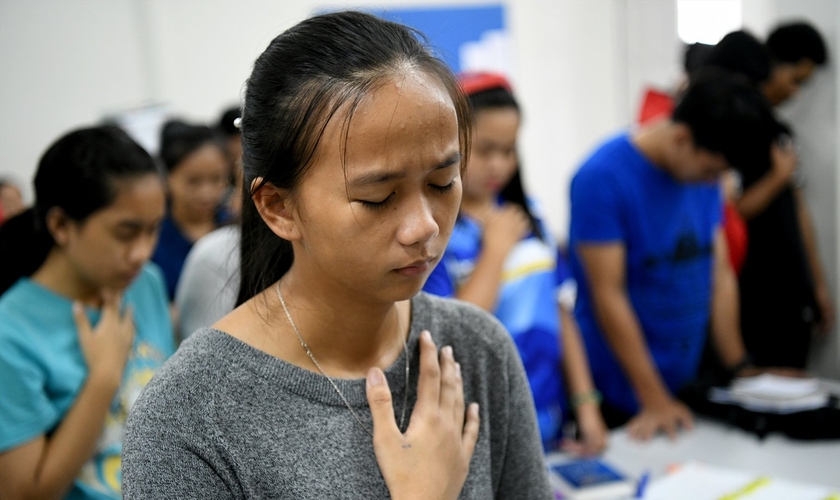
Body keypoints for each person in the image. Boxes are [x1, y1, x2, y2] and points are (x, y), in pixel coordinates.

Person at [123, 11, 551, 500]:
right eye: (377, 197)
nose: (425, 226)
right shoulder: (189, 417)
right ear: (279, 208)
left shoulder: (476, 350)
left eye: (442, 182)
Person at [568, 70, 779, 440]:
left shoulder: (706, 174)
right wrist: (653, 398)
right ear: (682, 137)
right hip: (623, 392)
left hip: (685, 382)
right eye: (712, 170)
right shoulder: (601, 178)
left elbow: (720, 272)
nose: (715, 181)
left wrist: (739, 369)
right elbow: (608, 296)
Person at [423, 72, 607, 455]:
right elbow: (452, 332)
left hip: (547, 417)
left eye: (509, 151)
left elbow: (560, 311)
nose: (499, 165)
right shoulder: (432, 230)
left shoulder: (530, 215)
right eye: (486, 149)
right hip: (476, 429)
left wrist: (586, 406)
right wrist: (495, 251)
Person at [0, 126, 174, 500]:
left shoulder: (145, 284)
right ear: (61, 225)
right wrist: (103, 378)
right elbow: (25, 494)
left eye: (154, 230)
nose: (142, 252)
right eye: (126, 233)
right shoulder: (9, 334)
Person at [731, 21, 834, 369]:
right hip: (756, 297)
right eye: (795, 80)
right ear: (771, 64)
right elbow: (728, 215)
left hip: (793, 293)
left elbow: (798, 209)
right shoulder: (732, 131)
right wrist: (778, 177)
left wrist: (816, 283)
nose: (796, 93)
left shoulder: (780, 132)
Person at [151, 120, 229, 300]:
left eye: (216, 179)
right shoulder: (154, 239)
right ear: (167, 178)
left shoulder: (234, 229)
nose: (207, 193)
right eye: (194, 181)